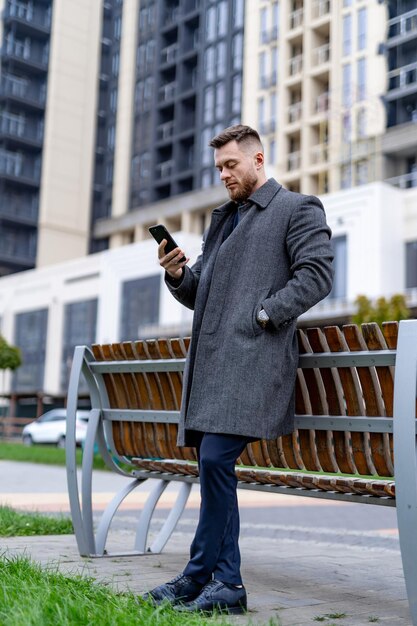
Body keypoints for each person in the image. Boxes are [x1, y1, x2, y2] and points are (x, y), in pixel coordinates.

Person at [142, 124, 334, 614]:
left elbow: (317, 274)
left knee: (213, 460)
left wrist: (264, 313)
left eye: (231, 165)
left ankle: (219, 581)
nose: (224, 175)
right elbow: (198, 291)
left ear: (258, 160)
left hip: (254, 364)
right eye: (219, 168)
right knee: (212, 462)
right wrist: (179, 273)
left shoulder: (297, 208)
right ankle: (206, 578)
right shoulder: (223, 218)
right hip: (215, 371)